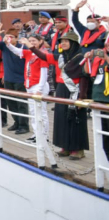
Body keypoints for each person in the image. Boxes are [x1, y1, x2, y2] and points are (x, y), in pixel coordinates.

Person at [2, 33, 58, 168]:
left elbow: (44, 73)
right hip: (29, 85)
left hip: (38, 86)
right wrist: (8, 43)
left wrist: (39, 88)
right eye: (30, 40)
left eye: (34, 41)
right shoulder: (28, 53)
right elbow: (17, 51)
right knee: (33, 111)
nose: (31, 43)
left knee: (41, 112)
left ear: (40, 42)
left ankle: (44, 136)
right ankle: (36, 133)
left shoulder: (42, 54)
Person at [31, 31, 88, 159]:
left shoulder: (81, 57)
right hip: (61, 89)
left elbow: (84, 77)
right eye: (62, 41)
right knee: (62, 118)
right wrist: (31, 47)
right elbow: (44, 56)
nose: (63, 43)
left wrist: (81, 97)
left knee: (75, 119)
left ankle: (78, 149)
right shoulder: (60, 57)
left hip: (75, 91)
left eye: (66, 41)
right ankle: (65, 146)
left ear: (73, 43)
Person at [0, 26, 29, 135]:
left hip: (20, 79)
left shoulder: (22, 47)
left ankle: (24, 125)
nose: (8, 39)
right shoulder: (4, 46)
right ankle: (17, 122)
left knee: (21, 103)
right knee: (11, 102)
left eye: (11, 37)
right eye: (7, 36)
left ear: (16, 39)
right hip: (8, 79)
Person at [84, 45, 109, 164]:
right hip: (98, 98)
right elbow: (86, 72)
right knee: (102, 134)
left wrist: (106, 57)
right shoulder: (99, 59)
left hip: (107, 99)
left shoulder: (105, 58)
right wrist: (88, 59)